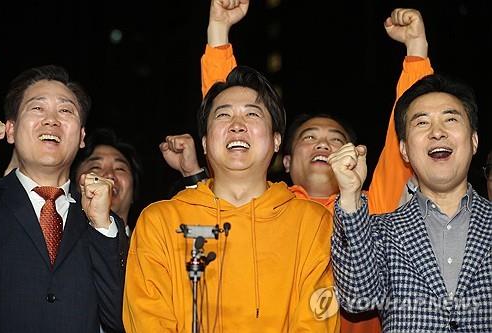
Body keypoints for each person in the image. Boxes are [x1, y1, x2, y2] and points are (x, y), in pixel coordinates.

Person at [163, 3, 434, 332]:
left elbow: (402, 139)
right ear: (283, 155)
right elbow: (231, 125)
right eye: (309, 137)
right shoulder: (266, 208)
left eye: (335, 139)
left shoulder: (371, 208)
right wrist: (218, 34)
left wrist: (416, 51)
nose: (322, 144)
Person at [123, 65, 339, 332]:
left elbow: (319, 317)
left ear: (275, 140)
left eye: (252, 114)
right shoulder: (160, 222)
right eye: (223, 115)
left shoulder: (313, 223)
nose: (237, 126)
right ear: (204, 143)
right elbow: (148, 319)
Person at [330, 73, 492, 331]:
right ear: (404, 150)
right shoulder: (379, 231)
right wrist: (350, 195)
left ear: (473, 141)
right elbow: (356, 298)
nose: (437, 132)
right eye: (422, 123)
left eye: (450, 119)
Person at [0, 64, 127, 333]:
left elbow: (120, 321)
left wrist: (101, 226)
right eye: (37, 108)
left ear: (81, 137)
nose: (52, 120)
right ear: (9, 130)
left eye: (65, 110)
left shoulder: (104, 222)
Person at [72, 127, 143, 234]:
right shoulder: (58, 245)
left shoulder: (151, 246)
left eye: (120, 168)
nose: (109, 175)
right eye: (96, 167)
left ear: (133, 192)